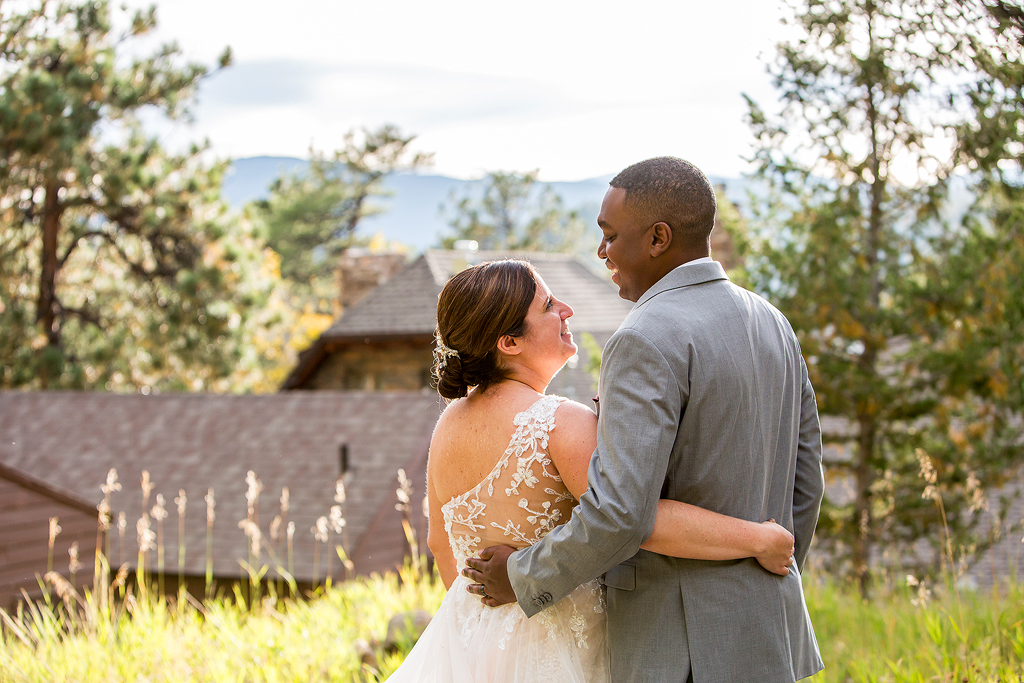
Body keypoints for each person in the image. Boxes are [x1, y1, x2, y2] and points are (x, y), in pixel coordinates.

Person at [464, 157, 825, 683]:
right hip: (771, 635)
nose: (601, 251)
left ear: (658, 238)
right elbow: (807, 483)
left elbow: (620, 513)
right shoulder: (773, 322)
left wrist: (521, 576)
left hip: (678, 650)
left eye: (610, 235)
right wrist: (768, 578)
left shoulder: (644, 338)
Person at [383, 257, 798, 683]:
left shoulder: (448, 424)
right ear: (509, 342)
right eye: (547, 306)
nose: (566, 310)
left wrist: (476, 626)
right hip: (560, 652)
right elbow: (633, 519)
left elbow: (439, 543)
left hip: (467, 648)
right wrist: (758, 539)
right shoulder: (558, 422)